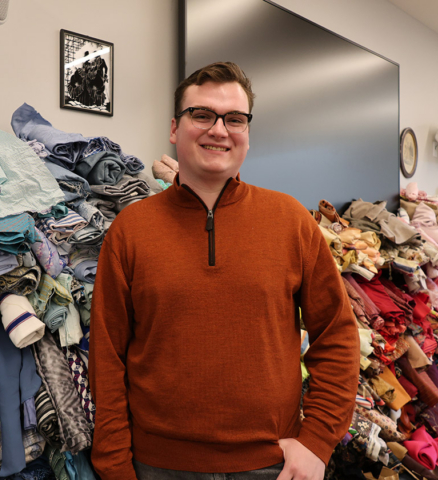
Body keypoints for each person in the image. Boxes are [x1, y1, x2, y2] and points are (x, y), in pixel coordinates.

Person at [89, 61, 359, 480]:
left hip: (271, 465)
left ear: (247, 133)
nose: (219, 130)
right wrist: (114, 467)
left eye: (234, 119)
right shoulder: (131, 229)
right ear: (175, 129)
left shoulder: (290, 220)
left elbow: (338, 336)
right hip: (157, 467)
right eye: (202, 115)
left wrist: (318, 443)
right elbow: (106, 358)